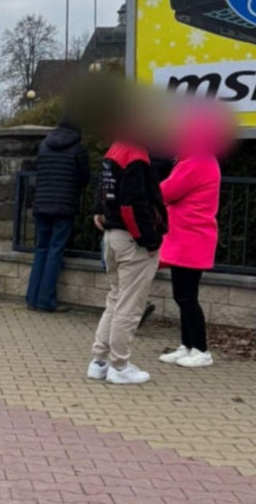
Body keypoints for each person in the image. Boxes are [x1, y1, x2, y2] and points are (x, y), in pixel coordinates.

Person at [89, 138, 168, 385]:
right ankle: (120, 365)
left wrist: (99, 210)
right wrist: (149, 239)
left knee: (115, 298)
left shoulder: (114, 149)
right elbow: (132, 205)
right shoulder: (136, 156)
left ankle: (99, 361)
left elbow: (104, 188)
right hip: (132, 240)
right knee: (129, 305)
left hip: (112, 237)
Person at [158, 108, 229, 369]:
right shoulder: (200, 160)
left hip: (191, 239)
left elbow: (167, 190)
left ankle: (200, 349)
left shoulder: (196, 162)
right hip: (189, 239)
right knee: (183, 295)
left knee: (186, 296)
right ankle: (187, 345)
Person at [25, 117, 90, 312]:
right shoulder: (78, 148)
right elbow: (84, 177)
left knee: (41, 249)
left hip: (42, 203)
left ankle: (32, 298)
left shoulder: (44, 145)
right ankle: (46, 300)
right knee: (55, 250)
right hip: (64, 205)